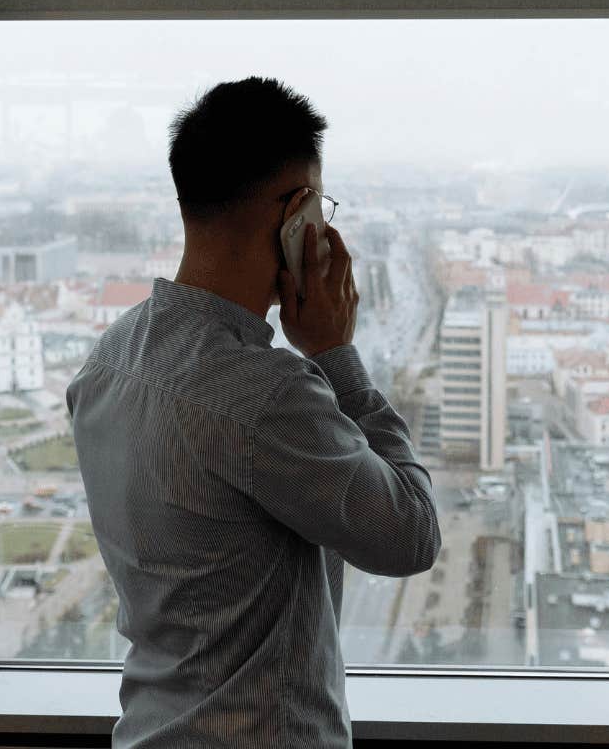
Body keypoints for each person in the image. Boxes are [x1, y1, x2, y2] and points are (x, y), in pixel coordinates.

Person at [67, 76, 441, 748]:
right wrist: (335, 354)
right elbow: (412, 534)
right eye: (319, 206)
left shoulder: (109, 359)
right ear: (297, 211)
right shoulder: (268, 395)